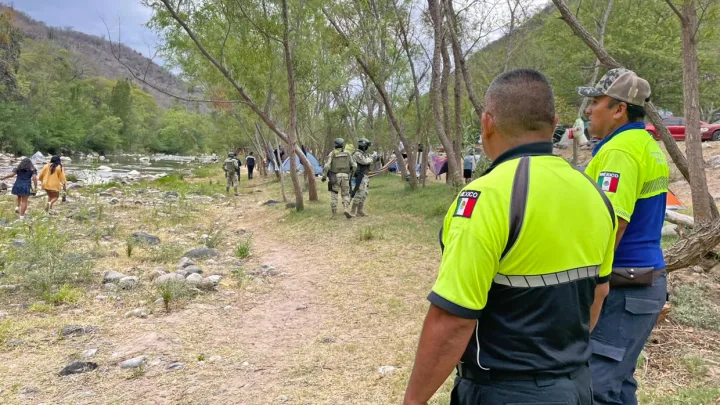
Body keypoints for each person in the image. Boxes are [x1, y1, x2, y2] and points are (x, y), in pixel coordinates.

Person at [404, 69, 617, 405]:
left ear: (488, 123)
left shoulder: (486, 198)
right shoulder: (595, 194)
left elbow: (453, 319)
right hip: (576, 386)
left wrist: (413, 401)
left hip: (504, 390)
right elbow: (599, 292)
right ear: (555, 122)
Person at [578, 68, 669, 405]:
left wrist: (591, 281)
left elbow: (612, 222)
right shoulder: (645, 143)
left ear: (619, 109)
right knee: (617, 384)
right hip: (641, 282)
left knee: (595, 386)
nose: (589, 109)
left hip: (624, 285)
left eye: (596, 102)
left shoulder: (621, 151)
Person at [321, 138, 356, 219]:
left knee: (334, 194)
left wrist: (324, 176)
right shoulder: (348, 153)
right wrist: (351, 174)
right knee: (345, 194)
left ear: (335, 145)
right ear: (342, 144)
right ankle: (346, 209)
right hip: (346, 176)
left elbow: (327, 166)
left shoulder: (332, 153)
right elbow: (354, 166)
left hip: (335, 177)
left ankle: (334, 214)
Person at [350, 138, 375, 217]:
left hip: (365, 175)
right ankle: (352, 211)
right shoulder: (357, 154)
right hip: (359, 176)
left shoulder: (365, 154)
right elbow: (364, 161)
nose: (368, 148)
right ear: (364, 146)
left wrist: (375, 157)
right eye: (367, 146)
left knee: (365, 193)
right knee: (360, 193)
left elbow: (369, 162)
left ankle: (359, 211)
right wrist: (372, 158)